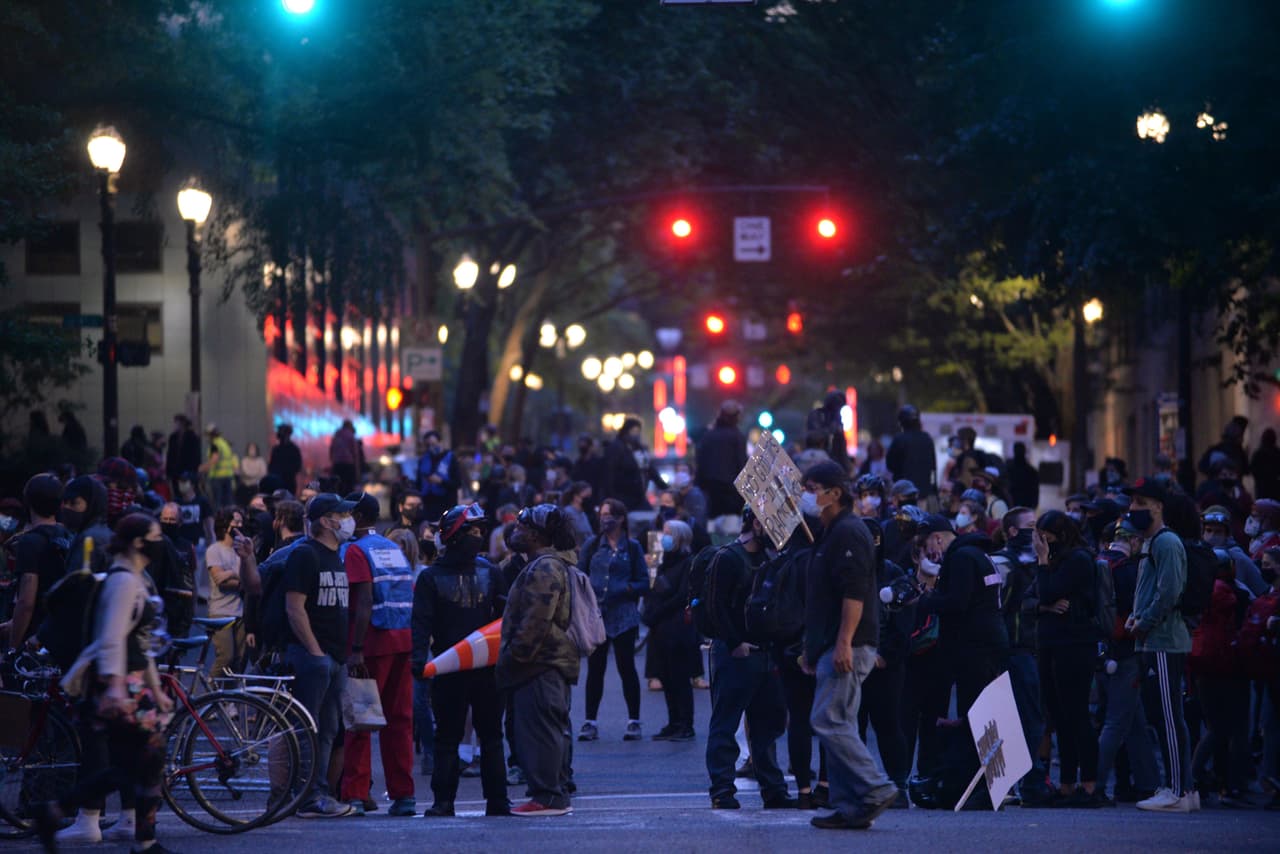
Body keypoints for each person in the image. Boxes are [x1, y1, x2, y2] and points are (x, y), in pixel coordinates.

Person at [32, 514, 174, 854]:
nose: (160, 541)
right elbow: (111, 637)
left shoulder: (134, 579)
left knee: (144, 761)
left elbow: (140, 643)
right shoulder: (123, 582)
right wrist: (114, 688)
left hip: (133, 683)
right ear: (138, 542)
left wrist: (155, 689)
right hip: (120, 684)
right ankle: (60, 813)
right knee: (139, 761)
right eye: (154, 536)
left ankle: (140, 838)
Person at [796, 460, 896, 829]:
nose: (807, 495)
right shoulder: (828, 533)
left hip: (848, 647)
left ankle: (873, 787)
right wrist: (813, 647)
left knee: (828, 719)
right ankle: (850, 805)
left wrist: (843, 644)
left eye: (812, 487)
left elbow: (854, 594)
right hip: (830, 646)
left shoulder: (849, 532)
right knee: (840, 723)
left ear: (834, 493)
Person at [412, 503, 509, 817]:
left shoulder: (485, 572)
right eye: (473, 531)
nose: (478, 537)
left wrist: (419, 661)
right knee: (457, 737)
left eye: (480, 531)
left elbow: (504, 620)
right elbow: (420, 623)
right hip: (458, 667)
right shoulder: (436, 577)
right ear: (455, 534)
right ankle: (457, 801)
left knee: (482, 736)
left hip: (469, 667)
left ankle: (482, 801)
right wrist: (417, 660)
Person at [704, 506, 795, 810]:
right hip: (736, 656)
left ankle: (774, 791)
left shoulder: (772, 558)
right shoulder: (727, 558)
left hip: (767, 655)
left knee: (767, 727)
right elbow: (714, 606)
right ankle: (722, 791)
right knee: (725, 724)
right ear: (756, 522)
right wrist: (734, 643)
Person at [496, 504, 580, 817]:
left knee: (541, 732)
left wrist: (513, 658)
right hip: (543, 664)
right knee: (547, 730)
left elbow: (535, 622)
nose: (513, 533)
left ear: (534, 534)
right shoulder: (545, 564)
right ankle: (551, 794)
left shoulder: (545, 568)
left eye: (519, 528)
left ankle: (548, 797)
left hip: (540, 666)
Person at [340, 492, 417, 817]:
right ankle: (404, 796)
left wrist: (355, 649)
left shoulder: (355, 551)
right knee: (399, 722)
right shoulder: (392, 548)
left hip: (371, 645)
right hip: (403, 640)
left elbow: (364, 601)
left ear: (355, 516)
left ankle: (355, 795)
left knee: (360, 720)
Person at [1122, 478, 1195, 812]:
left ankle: (1178, 791)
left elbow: (1169, 592)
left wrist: (1144, 622)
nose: (1133, 509)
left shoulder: (1166, 542)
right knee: (1165, 716)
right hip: (1153, 639)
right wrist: (1136, 619)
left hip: (1164, 641)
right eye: (1132, 502)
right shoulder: (1153, 543)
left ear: (1158, 507)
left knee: (1168, 716)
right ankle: (1180, 788)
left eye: (1140, 502)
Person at [283, 493, 357, 818]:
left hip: (334, 659)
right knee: (307, 729)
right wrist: (315, 652)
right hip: (313, 657)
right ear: (326, 521)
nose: (347, 519)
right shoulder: (305, 554)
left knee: (327, 730)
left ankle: (318, 795)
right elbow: (294, 607)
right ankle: (305, 796)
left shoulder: (336, 555)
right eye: (342, 514)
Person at [1033, 510, 1102, 806]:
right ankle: (1066, 783)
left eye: (1044, 537)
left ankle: (1088, 785)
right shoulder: (1058, 560)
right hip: (1051, 643)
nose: (1041, 542)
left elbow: (1047, 591)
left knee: (1076, 714)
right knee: (1059, 714)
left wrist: (1041, 561)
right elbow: (1037, 598)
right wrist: (1045, 606)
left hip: (1074, 644)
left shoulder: (1077, 560)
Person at [916, 511, 1009, 718]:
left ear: (937, 538)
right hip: (989, 643)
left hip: (974, 650)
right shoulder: (977, 553)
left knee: (973, 717)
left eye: (925, 545)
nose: (926, 553)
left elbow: (957, 603)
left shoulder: (961, 557)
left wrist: (924, 601)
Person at [1095, 520, 1161, 804]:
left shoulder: (1095, 562)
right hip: (1127, 650)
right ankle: (1093, 785)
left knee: (1134, 720)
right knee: (1117, 721)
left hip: (1099, 650)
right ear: (1134, 542)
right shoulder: (1134, 570)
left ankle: (1149, 782)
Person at [989, 506, 1050, 805]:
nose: (1036, 531)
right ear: (1012, 531)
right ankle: (1016, 783)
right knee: (1015, 718)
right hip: (1011, 649)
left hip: (1030, 648)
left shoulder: (1035, 561)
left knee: (1032, 718)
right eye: (1030, 526)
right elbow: (997, 607)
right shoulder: (1001, 563)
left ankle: (1030, 781)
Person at [578, 498, 648, 742]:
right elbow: (580, 575)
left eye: (608, 514)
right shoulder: (593, 545)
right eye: (602, 514)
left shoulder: (633, 547)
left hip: (624, 617)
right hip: (597, 617)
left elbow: (643, 582)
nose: (603, 519)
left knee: (626, 668)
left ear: (620, 519)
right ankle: (590, 721)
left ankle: (634, 721)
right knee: (595, 670)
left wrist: (627, 589)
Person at [1188, 547, 1253, 806]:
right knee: (1236, 729)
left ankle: (1193, 777)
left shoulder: (1197, 592)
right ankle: (1233, 786)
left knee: (1214, 728)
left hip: (1201, 665)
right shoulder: (1236, 595)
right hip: (1232, 666)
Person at [640, 519, 700, 741]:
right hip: (660, 627)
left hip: (676, 628)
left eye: (667, 533)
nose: (662, 537)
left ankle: (685, 723)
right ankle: (673, 721)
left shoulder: (687, 562)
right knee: (665, 676)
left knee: (679, 678)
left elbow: (681, 595)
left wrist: (656, 613)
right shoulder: (661, 561)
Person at [0, 474, 71, 649]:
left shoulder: (29, 542)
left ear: (28, 502)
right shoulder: (68, 535)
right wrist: (12, 623)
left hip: (33, 639)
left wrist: (13, 648)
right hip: (59, 632)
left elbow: (26, 602)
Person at [205, 506, 255, 677]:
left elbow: (250, 582)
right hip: (221, 612)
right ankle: (210, 692)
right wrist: (237, 574)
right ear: (225, 524)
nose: (239, 526)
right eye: (236, 522)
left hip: (241, 612)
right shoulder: (214, 550)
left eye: (241, 522)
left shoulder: (242, 551)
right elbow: (220, 581)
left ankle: (230, 699)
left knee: (239, 660)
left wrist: (231, 574)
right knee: (226, 657)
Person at [696, 401, 749, 522]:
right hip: (732, 492)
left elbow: (700, 462)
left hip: (711, 491)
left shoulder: (708, 436)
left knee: (713, 526)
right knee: (732, 527)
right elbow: (742, 464)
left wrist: (700, 485)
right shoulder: (738, 437)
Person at [1201, 505, 1267, 596]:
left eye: (1218, 532)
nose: (1212, 536)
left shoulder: (1237, 558)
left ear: (1227, 535)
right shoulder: (1202, 554)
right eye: (1208, 530)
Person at [603, 418, 656, 515]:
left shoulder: (639, 449)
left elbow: (650, 470)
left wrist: (665, 487)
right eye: (633, 431)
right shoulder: (616, 448)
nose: (636, 434)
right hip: (623, 497)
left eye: (638, 431)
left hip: (638, 497)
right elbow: (610, 474)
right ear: (626, 431)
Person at [884, 405, 936, 503]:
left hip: (903, 494)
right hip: (923, 493)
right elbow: (933, 466)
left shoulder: (899, 439)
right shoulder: (927, 439)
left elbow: (890, 464)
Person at [416, 431, 462, 523]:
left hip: (446, 504)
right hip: (428, 506)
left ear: (440, 442)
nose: (431, 447)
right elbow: (418, 483)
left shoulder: (451, 458)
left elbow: (457, 483)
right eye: (428, 445)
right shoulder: (423, 459)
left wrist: (441, 481)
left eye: (433, 443)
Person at [806, 391, 851, 472]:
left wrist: (846, 466)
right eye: (837, 404)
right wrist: (829, 430)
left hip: (834, 459)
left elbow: (842, 445)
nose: (837, 408)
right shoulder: (817, 414)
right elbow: (813, 436)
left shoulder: (837, 418)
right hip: (816, 457)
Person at [173, 472, 213, 546]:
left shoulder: (202, 501)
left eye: (184, 482)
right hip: (182, 543)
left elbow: (209, 523)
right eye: (180, 482)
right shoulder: (175, 502)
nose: (181, 485)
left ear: (192, 485)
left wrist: (211, 540)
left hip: (199, 543)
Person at [268, 424, 304, 494]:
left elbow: (297, 466)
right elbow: (271, 466)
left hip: (289, 482)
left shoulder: (294, 449)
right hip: (277, 482)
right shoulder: (276, 449)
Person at [330, 419, 362, 496]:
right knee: (348, 488)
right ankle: (347, 505)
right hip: (348, 465)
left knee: (338, 487)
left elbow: (331, 450)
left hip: (337, 465)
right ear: (349, 426)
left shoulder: (337, 435)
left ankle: (339, 504)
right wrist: (357, 470)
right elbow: (355, 454)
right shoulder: (351, 436)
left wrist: (333, 462)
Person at [559, 481, 595, 547]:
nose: (589, 499)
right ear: (576, 496)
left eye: (590, 496)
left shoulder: (583, 513)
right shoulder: (568, 513)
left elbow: (589, 535)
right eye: (586, 496)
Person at [1008, 441, 1041, 511]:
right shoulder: (1032, 471)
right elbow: (1035, 491)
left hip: (1011, 506)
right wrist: (1033, 506)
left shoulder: (1008, 470)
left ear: (1013, 451)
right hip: (1027, 507)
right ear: (1025, 452)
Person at [1251, 427, 1280, 501]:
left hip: (1261, 488)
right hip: (1275, 488)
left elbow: (1252, 469)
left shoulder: (1258, 453)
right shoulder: (1277, 453)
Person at [236, 441, 268, 506]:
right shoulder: (244, 460)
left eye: (253, 448)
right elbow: (246, 472)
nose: (252, 450)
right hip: (246, 487)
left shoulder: (261, 460)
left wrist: (253, 475)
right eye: (250, 448)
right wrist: (256, 474)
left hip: (257, 487)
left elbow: (263, 473)